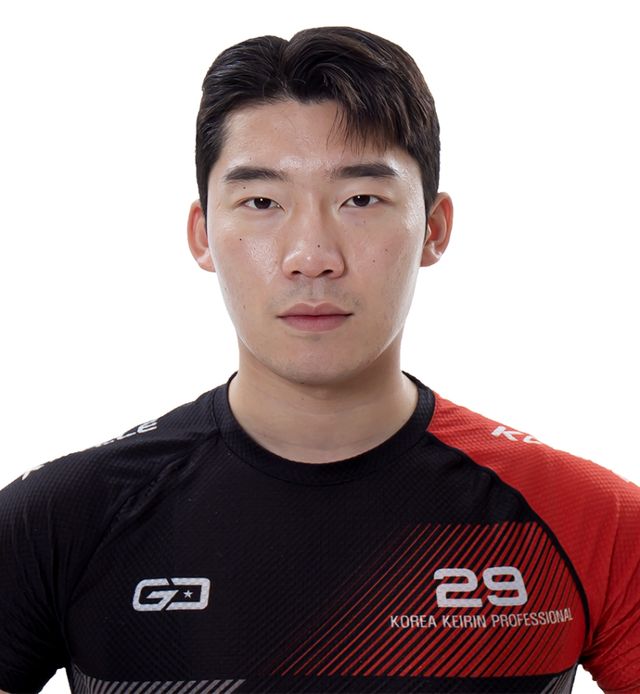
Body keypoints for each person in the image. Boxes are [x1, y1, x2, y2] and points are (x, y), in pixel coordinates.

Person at [1, 25, 638, 694]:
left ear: (434, 228)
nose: (311, 256)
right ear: (203, 234)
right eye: (262, 202)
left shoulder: (588, 519)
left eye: (360, 199)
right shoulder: (64, 520)